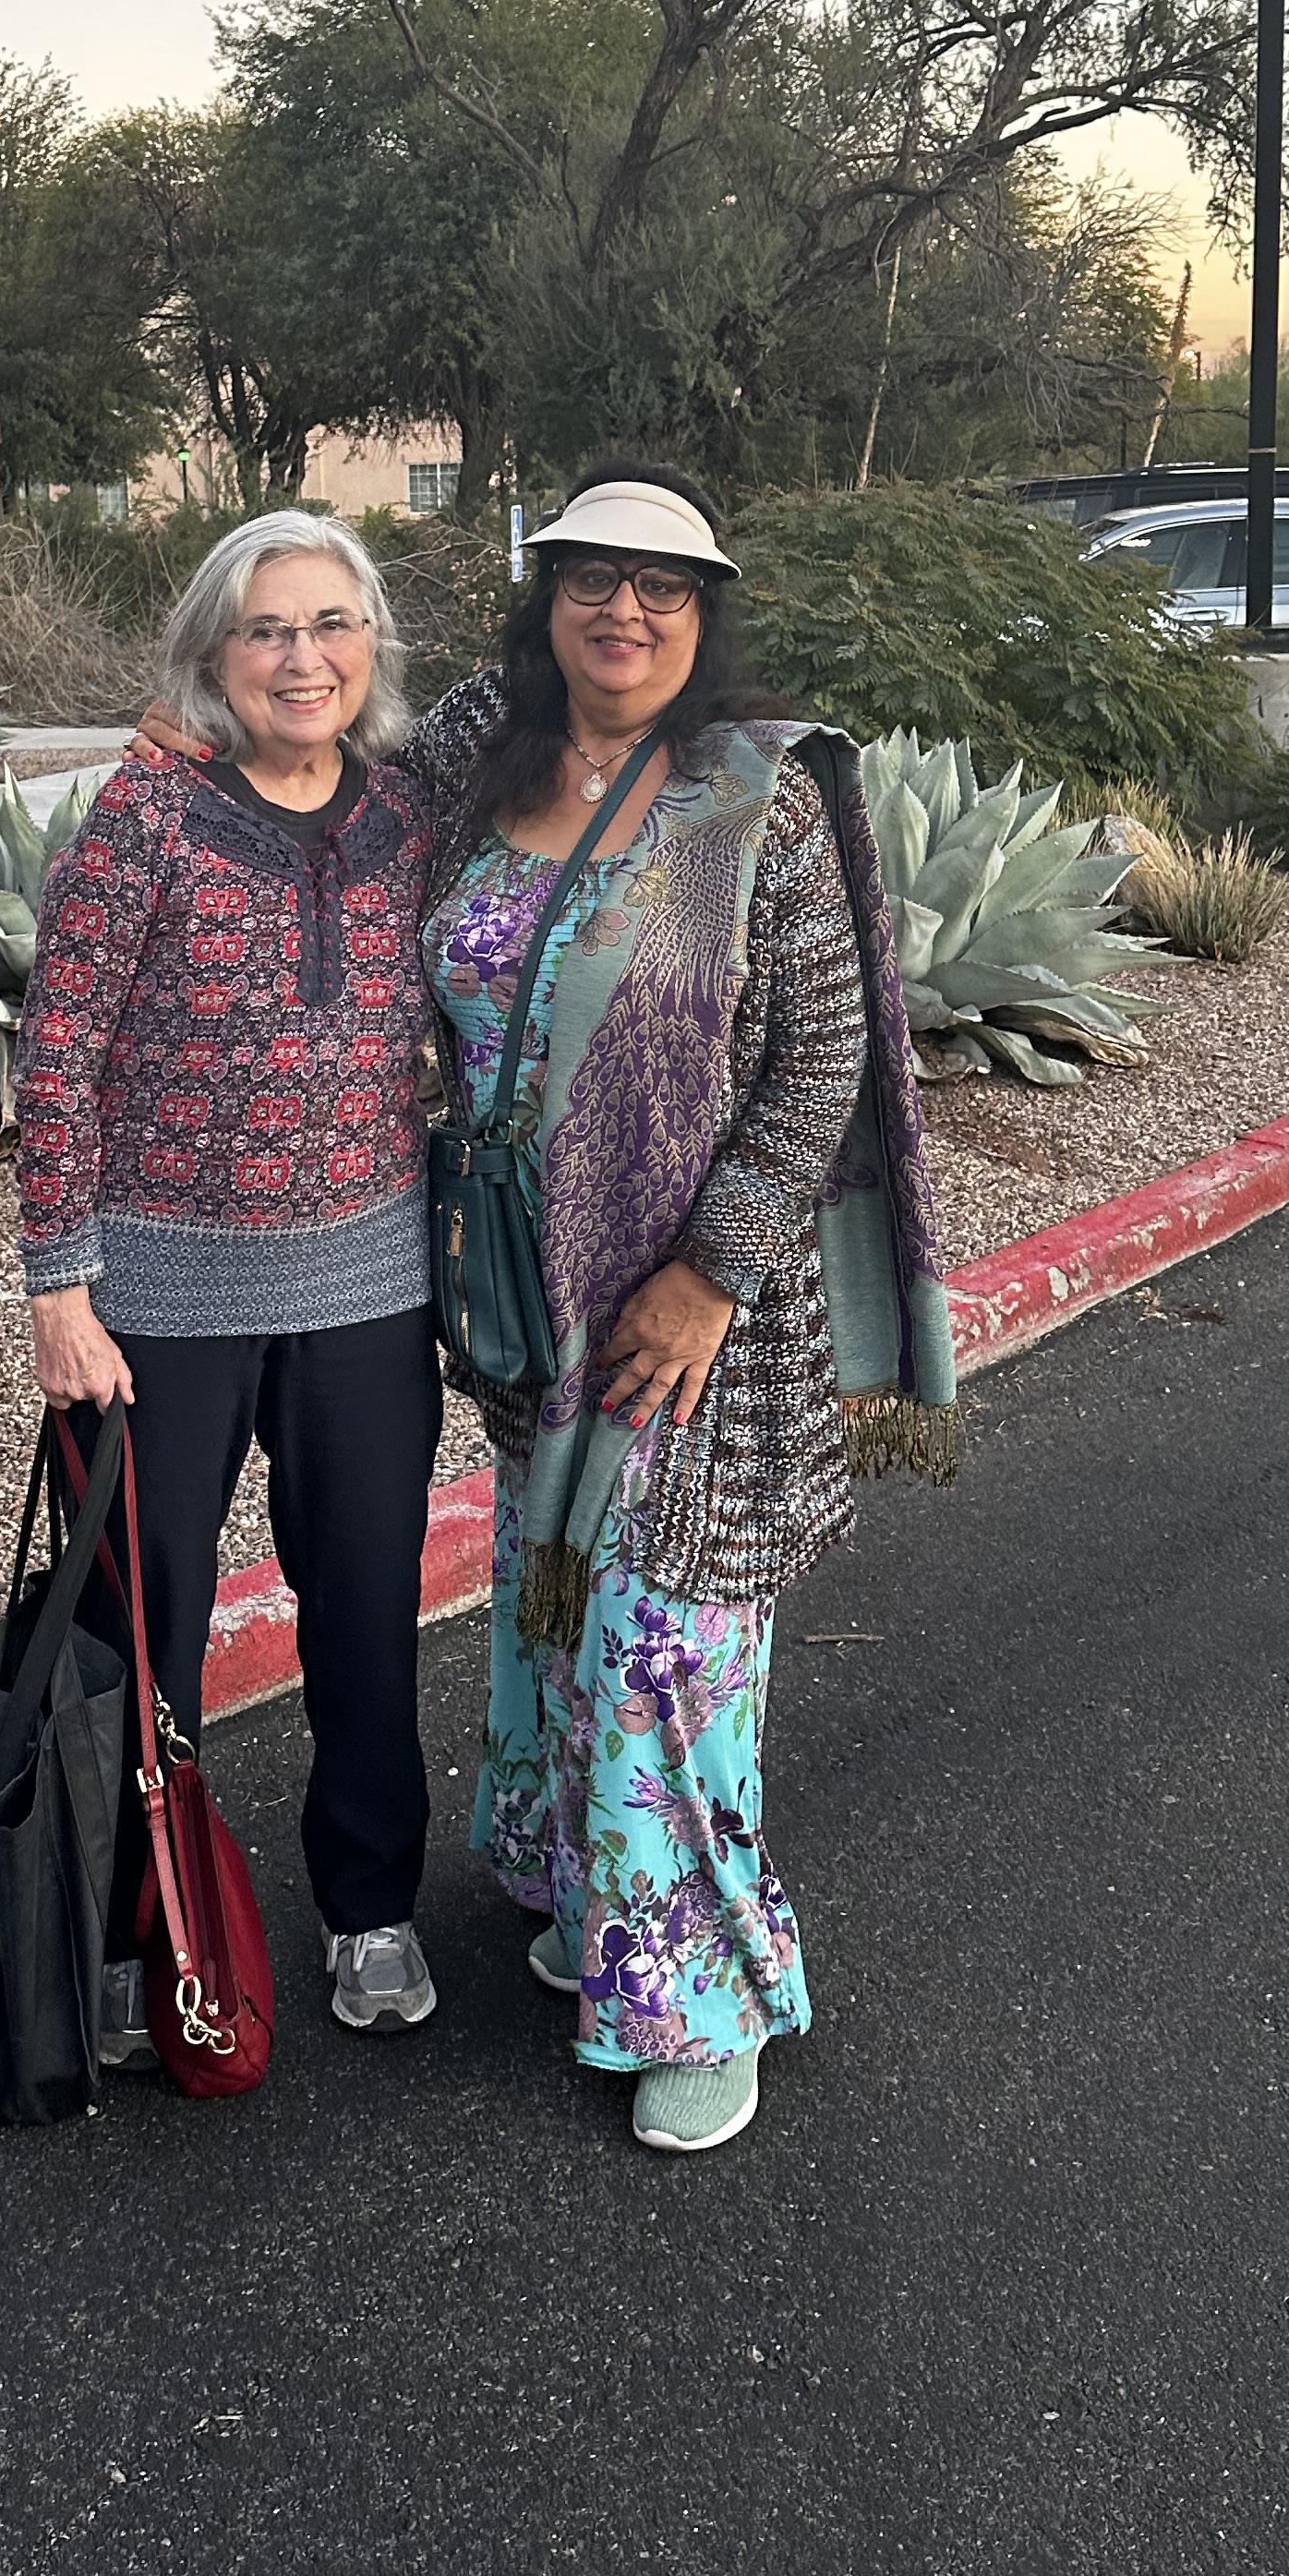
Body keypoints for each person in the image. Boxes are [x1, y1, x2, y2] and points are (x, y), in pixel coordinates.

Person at [413, 463, 957, 2155]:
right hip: (528, 1299)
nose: (624, 611)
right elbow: (317, 786)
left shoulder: (757, 798)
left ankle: (700, 1988)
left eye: (662, 586)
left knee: (669, 1648)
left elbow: (822, 1062)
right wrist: (185, 739)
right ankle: (578, 1888)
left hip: (695, 1324)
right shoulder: (471, 755)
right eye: (591, 579)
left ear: (705, 614)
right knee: (556, 1608)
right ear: (546, 598)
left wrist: (711, 1270)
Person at [12, 512, 444, 2057]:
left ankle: (371, 1909)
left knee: (364, 1617)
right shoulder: (146, 816)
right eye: (268, 630)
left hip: (371, 1289)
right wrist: (61, 1285)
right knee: (143, 1633)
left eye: (333, 625)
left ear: (371, 646)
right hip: (159, 1306)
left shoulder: (408, 820)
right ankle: (142, 1933)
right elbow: (53, 1049)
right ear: (212, 652)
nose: (303, 657)